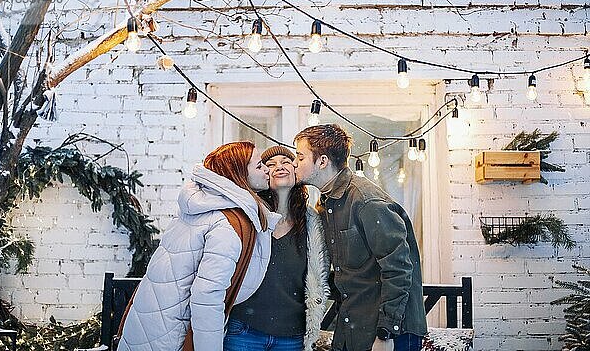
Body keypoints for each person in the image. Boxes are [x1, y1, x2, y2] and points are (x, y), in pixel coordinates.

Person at [117, 141, 279, 351]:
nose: (267, 169)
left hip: (151, 323)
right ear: (238, 174)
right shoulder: (226, 223)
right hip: (172, 334)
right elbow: (208, 298)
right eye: (259, 166)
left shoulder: (201, 208)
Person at [293, 124, 427, 351]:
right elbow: (352, 272)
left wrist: (386, 333)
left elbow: (399, 269)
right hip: (353, 325)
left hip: (389, 333)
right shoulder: (328, 203)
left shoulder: (366, 201)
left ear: (322, 161)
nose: (295, 163)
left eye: (300, 157)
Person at [224, 145, 330, 351]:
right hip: (244, 330)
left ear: (295, 171)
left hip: (291, 336)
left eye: (286, 162)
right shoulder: (249, 218)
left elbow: (318, 278)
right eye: (270, 165)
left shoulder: (312, 224)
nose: (279, 167)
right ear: (263, 175)